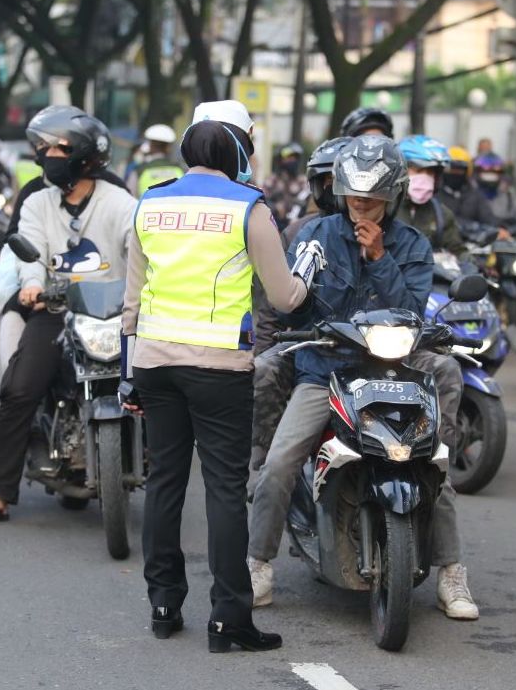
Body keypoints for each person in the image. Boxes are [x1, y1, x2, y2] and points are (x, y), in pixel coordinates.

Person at [247, 134, 480, 621]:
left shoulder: (413, 244)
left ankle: (452, 573)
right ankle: (257, 561)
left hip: (394, 369)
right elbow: (291, 298)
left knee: (432, 464)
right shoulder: (317, 236)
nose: (362, 210)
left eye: (372, 201)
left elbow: (412, 308)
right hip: (325, 370)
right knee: (279, 463)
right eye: (355, 199)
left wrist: (379, 259)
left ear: (391, 197)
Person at [122, 100, 318, 653]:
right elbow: (283, 296)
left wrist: (127, 372)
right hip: (218, 367)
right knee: (225, 491)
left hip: (155, 363)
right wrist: (306, 277)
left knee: (164, 483)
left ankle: (163, 605)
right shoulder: (249, 207)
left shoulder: (150, 203)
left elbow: (131, 301)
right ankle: (228, 618)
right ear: (238, 151)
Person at [0, 108, 136, 524]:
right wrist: (32, 283)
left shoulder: (121, 203)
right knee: (18, 389)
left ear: (81, 153)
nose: (45, 155)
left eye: (55, 147)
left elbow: (139, 251)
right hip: (55, 310)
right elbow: (32, 252)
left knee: (152, 393)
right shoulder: (38, 202)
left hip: (111, 316)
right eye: (43, 148)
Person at [251, 136, 350, 471]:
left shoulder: (390, 237)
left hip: (372, 355)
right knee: (264, 368)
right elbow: (270, 308)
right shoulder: (297, 233)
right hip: (307, 349)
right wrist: (266, 348)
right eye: (333, 183)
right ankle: (264, 460)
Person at [396, 134, 468, 256]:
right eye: (418, 171)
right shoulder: (382, 209)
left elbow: (458, 251)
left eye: (430, 172)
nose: (425, 177)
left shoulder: (441, 214)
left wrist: (473, 271)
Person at [438, 145, 507, 239]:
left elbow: (489, 219)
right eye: (452, 169)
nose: (455, 173)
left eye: (460, 170)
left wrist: (499, 229)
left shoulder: (475, 195)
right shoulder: (434, 194)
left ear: (467, 172)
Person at [473, 152, 516, 235]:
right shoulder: (470, 194)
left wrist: (511, 229)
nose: (490, 175)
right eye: (486, 170)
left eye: (495, 171)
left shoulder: (508, 195)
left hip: (504, 241)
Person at [128, 124, 184, 197]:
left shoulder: (140, 170)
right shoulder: (180, 170)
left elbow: (130, 197)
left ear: (150, 145)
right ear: (168, 147)